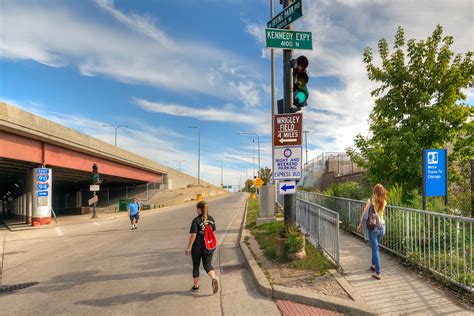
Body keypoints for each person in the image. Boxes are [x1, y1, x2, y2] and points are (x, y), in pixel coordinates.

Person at [184, 201, 218, 294]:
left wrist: (189, 248)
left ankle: (196, 286)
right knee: (207, 265)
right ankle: (214, 279)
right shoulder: (211, 219)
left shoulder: (196, 220)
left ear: (199, 209)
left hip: (197, 247)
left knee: (196, 266)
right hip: (208, 246)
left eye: (196, 208)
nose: (196, 210)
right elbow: (213, 231)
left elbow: (193, 235)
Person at [358, 183, 386, 280]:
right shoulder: (384, 201)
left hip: (373, 228)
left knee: (375, 249)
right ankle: (374, 265)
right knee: (375, 247)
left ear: (374, 191)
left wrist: (360, 224)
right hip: (382, 228)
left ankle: (377, 272)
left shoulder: (370, 201)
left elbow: (364, 214)